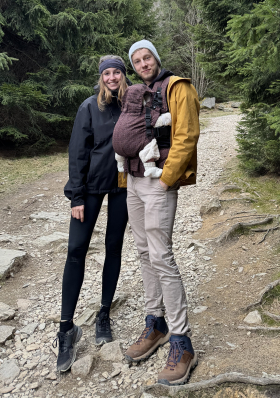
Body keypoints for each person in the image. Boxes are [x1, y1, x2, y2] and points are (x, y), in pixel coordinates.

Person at [113, 39, 200, 386]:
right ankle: (155, 324)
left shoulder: (177, 87)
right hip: (134, 181)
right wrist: (126, 178)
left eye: (146, 57)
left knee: (161, 256)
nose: (143, 64)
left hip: (158, 182)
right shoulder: (137, 93)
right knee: (143, 253)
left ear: (156, 58)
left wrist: (168, 179)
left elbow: (187, 135)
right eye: (136, 60)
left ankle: (181, 341)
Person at [55, 55, 129, 373]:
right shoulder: (89, 107)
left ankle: (104, 314)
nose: (112, 77)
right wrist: (76, 195)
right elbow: (77, 153)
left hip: (123, 186)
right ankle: (66, 328)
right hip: (90, 189)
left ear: (123, 75)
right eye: (107, 73)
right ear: (101, 77)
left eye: (117, 72)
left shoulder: (131, 105)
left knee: (114, 247)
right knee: (76, 250)